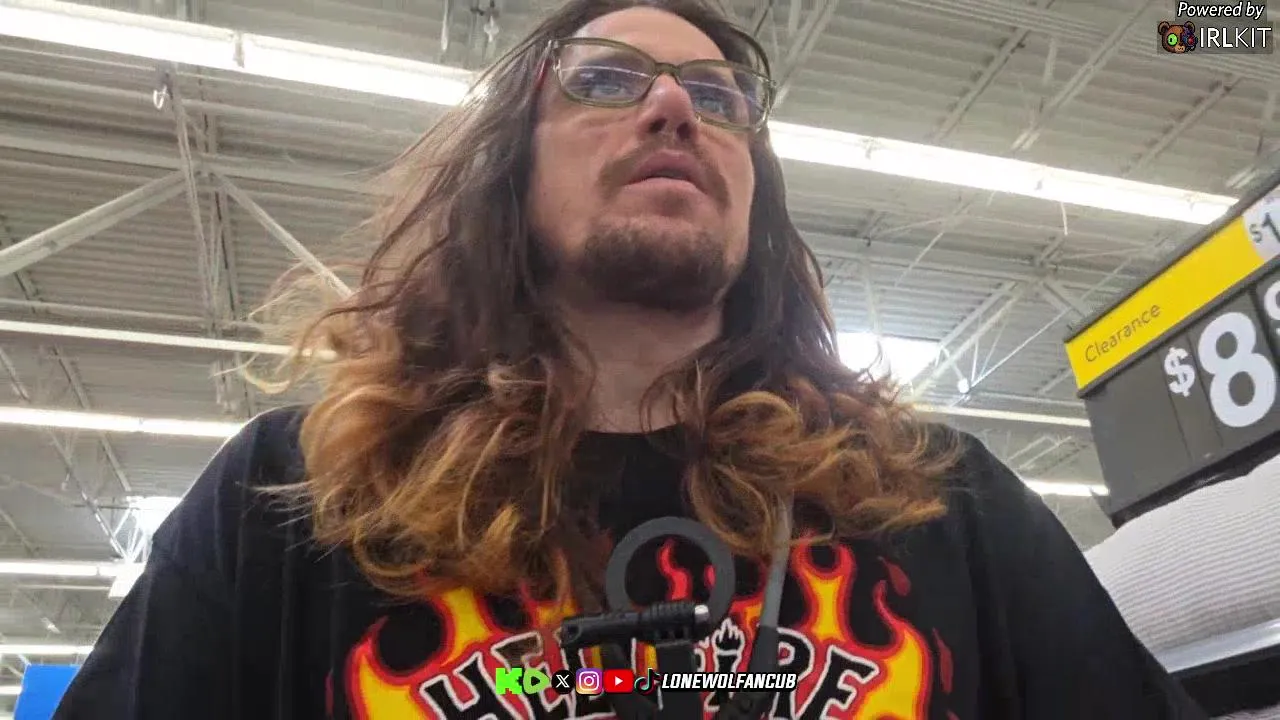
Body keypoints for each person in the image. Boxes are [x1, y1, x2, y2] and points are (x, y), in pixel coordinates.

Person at [54, 0, 1206, 717]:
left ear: (754, 196)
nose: (671, 107)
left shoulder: (936, 498)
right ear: (508, 170)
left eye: (717, 98)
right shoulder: (293, 500)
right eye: (603, 81)